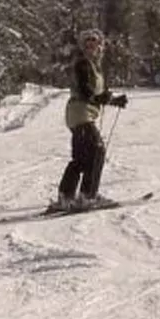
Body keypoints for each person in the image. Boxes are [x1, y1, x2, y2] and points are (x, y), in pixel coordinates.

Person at [52, 28, 128, 211]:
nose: (91, 45)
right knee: (97, 152)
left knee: (81, 158)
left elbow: (96, 93)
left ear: (100, 46)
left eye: (94, 42)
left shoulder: (93, 66)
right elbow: (87, 90)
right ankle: (87, 196)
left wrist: (113, 100)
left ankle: (66, 196)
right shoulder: (83, 64)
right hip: (81, 114)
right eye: (87, 42)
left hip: (79, 113)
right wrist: (102, 98)